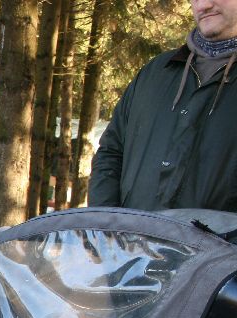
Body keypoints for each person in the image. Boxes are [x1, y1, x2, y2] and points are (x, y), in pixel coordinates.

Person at [89, 0, 237, 212]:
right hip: (131, 233)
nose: (203, 5)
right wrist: (105, 222)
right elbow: (111, 153)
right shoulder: (155, 72)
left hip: (216, 235)